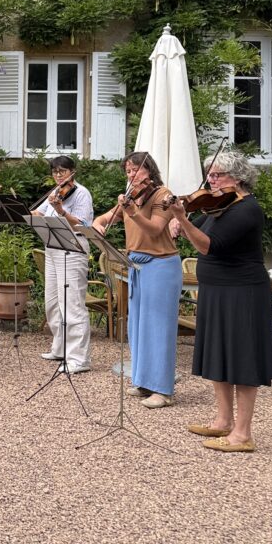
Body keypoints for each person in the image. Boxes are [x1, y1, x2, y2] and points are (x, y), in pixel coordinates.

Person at [168, 151, 272, 452]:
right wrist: (180, 223)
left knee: (242, 359)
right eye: (210, 174)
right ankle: (223, 421)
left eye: (218, 175)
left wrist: (181, 219)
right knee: (219, 353)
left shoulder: (247, 209)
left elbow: (207, 246)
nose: (211, 180)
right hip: (217, 290)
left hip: (242, 292)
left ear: (238, 178)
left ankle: (243, 435)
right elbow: (196, 228)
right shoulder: (220, 206)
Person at [93, 151, 181, 409]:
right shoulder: (130, 197)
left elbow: (155, 229)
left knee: (159, 328)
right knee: (139, 327)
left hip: (161, 265)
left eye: (136, 170)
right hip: (137, 266)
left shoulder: (163, 195)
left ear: (149, 171)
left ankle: (163, 390)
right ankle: (143, 381)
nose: (131, 175)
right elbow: (105, 218)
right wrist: (98, 223)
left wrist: (131, 212)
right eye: (128, 171)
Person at [30, 156, 94, 373]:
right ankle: (60, 348)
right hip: (53, 246)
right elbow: (39, 213)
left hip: (73, 247)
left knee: (72, 303)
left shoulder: (82, 193)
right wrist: (24, 212)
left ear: (72, 172)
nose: (58, 175)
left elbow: (84, 224)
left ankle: (79, 358)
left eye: (62, 171)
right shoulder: (55, 193)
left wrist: (61, 211)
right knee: (52, 301)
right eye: (55, 172)